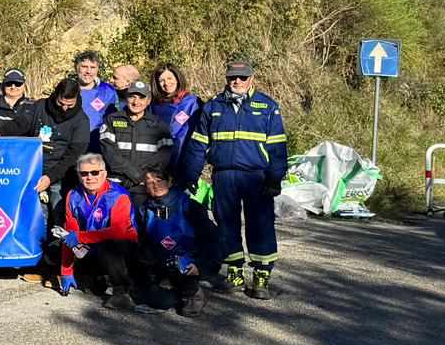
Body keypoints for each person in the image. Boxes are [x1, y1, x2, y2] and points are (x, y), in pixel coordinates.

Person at [179, 60, 287, 300]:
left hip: (256, 176)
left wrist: (275, 178)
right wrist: (191, 174)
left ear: (251, 79)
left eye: (242, 77)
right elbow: (199, 144)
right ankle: (235, 273)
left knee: (260, 225)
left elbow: (278, 146)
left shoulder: (267, 106)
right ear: (227, 79)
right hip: (223, 175)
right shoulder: (213, 106)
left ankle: (261, 275)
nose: (237, 81)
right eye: (232, 77)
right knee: (226, 225)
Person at [55, 153, 140, 309]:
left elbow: (118, 232)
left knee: (108, 246)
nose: (90, 177)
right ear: (78, 175)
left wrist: (79, 237)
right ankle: (100, 277)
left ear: (104, 174)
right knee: (55, 249)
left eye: (95, 172)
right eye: (84, 173)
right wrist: (66, 271)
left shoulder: (119, 195)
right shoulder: (72, 196)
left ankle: (122, 292)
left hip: (124, 248)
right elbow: (70, 235)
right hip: (92, 244)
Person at [135, 162, 206, 317]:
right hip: (163, 265)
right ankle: (173, 288)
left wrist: (201, 265)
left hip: (189, 263)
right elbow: (144, 244)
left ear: (169, 181)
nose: (155, 185)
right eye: (149, 182)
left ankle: (194, 292)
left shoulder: (189, 205)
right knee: (158, 301)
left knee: (181, 266)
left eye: (159, 180)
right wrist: (159, 273)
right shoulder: (145, 209)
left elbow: (212, 240)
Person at [37, 77, 91, 252]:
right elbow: (20, 124)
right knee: (38, 220)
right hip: (35, 174)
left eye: (70, 104)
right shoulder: (40, 107)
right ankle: (36, 258)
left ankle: (56, 259)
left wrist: (51, 177)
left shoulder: (82, 120)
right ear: (55, 95)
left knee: (59, 222)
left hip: (62, 178)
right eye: (61, 103)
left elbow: (74, 155)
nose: (65, 108)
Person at [99, 79, 172, 192]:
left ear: (149, 100)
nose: (136, 102)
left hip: (145, 185)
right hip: (116, 184)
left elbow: (164, 155)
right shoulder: (111, 120)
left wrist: (141, 174)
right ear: (126, 97)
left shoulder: (158, 124)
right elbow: (109, 152)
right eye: (132, 97)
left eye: (141, 98)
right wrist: (131, 172)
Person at [150, 62, 200, 169]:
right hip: (157, 162)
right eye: (161, 80)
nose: (166, 83)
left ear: (177, 79)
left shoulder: (192, 102)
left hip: (185, 161)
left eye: (170, 78)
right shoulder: (153, 105)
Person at [73, 51, 117, 151]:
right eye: (84, 67)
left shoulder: (108, 91)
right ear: (76, 67)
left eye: (92, 67)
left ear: (97, 69)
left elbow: (114, 120)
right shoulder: (66, 88)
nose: (88, 71)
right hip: (72, 144)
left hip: (99, 145)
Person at [0, 69, 39, 137]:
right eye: (9, 83)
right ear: (3, 86)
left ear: (24, 86)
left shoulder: (33, 106)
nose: (13, 87)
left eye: (18, 84)